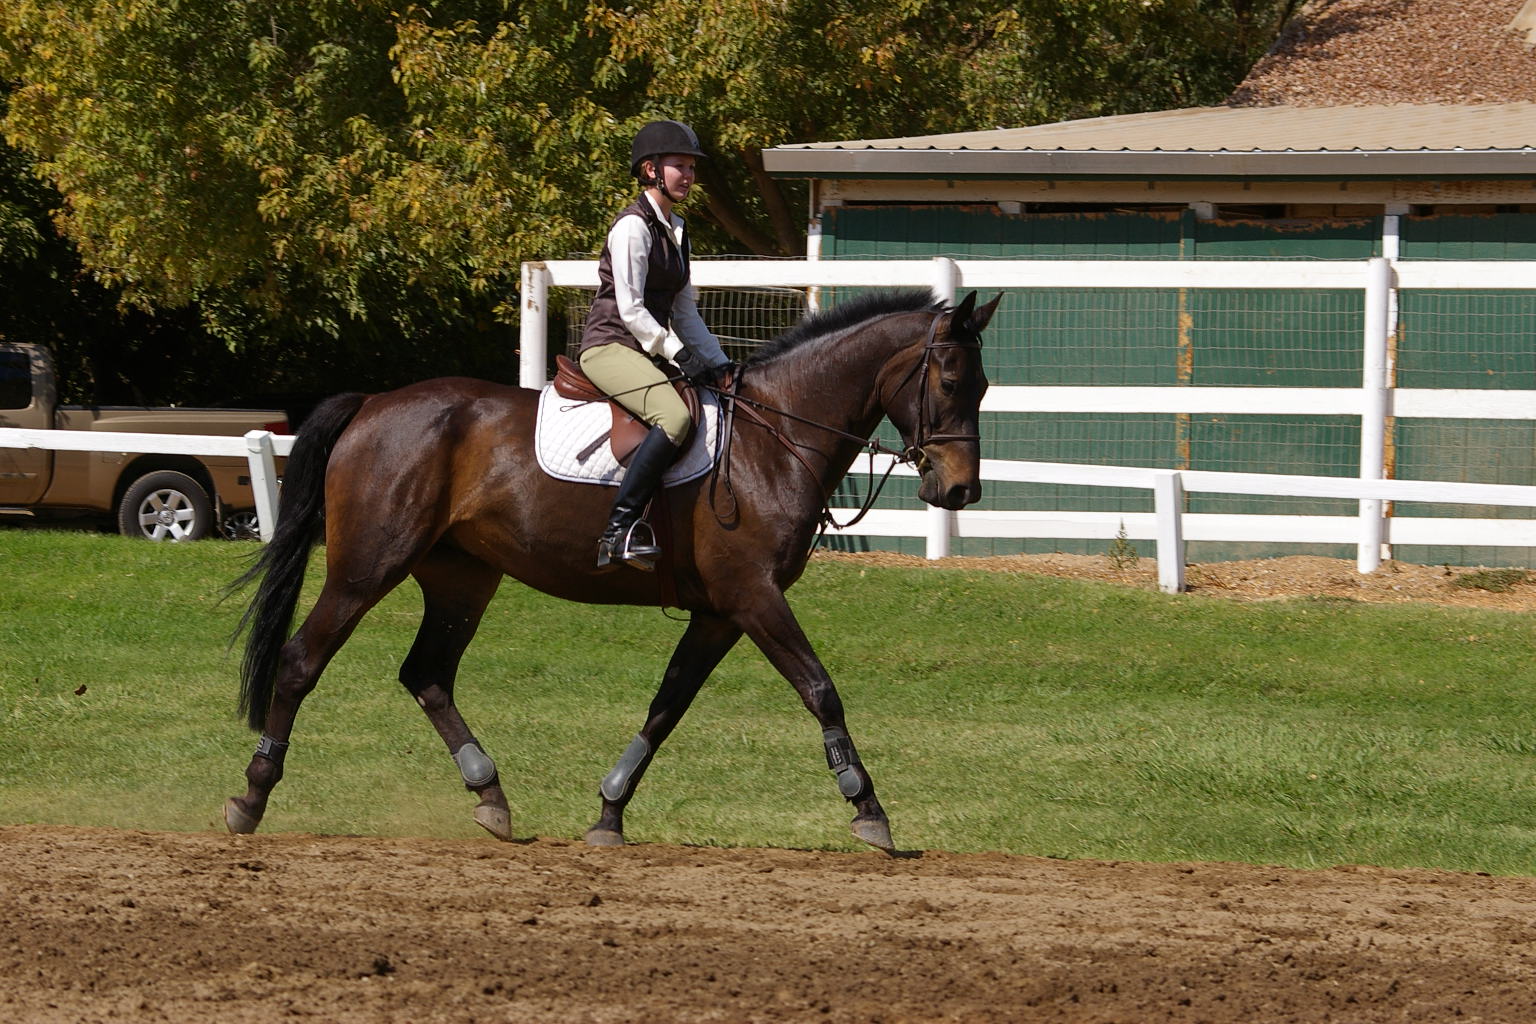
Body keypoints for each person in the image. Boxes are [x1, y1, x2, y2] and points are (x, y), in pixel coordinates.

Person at [578, 119, 731, 571]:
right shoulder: (632, 227)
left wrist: (722, 365)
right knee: (676, 416)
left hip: (647, 350)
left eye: (691, 167)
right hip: (610, 346)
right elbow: (630, 310)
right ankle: (618, 530)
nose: (688, 175)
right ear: (650, 170)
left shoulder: (678, 230)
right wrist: (679, 354)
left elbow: (686, 314)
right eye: (679, 166)